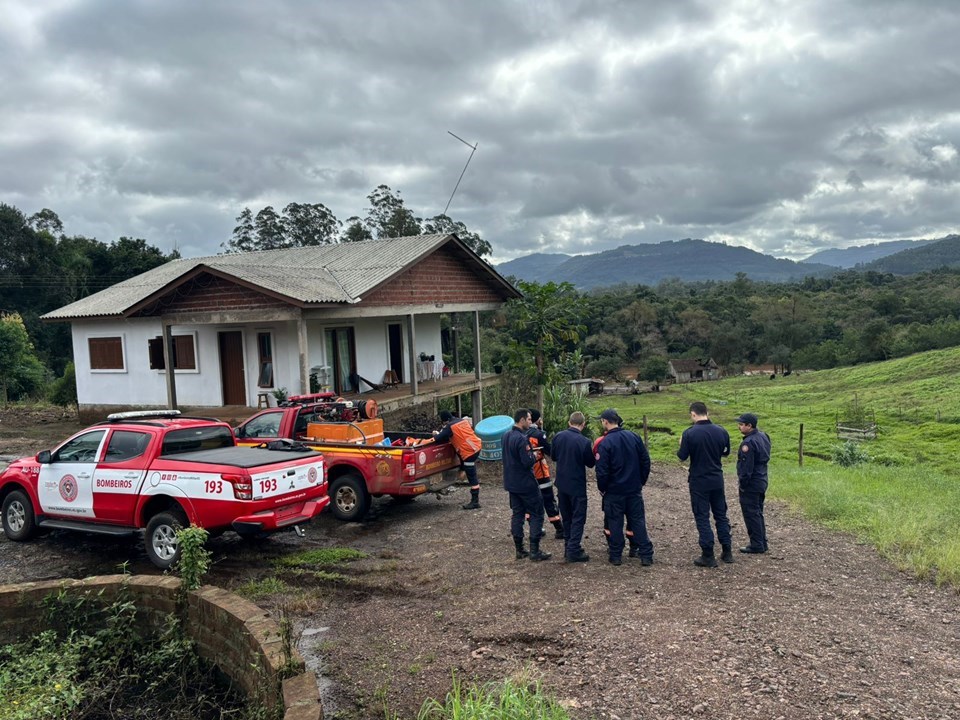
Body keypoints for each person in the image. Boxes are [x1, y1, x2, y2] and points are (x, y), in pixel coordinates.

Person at [677, 401, 734, 568]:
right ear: (707, 413)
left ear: (693, 414)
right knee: (721, 515)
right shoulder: (721, 431)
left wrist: (681, 444)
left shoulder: (689, 433)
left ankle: (708, 554)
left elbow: (682, 456)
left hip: (699, 480)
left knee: (702, 516)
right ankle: (727, 550)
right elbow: (726, 453)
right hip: (717, 478)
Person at [595, 408, 654, 567]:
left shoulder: (605, 443)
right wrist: (641, 481)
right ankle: (646, 555)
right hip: (633, 489)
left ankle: (616, 555)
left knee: (615, 523)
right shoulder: (634, 437)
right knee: (638, 521)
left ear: (605, 422)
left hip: (614, 491)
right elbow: (645, 460)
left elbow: (602, 471)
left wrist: (603, 488)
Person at [502, 408, 551, 561]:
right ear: (522, 420)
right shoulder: (522, 439)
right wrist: (534, 456)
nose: (531, 422)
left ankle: (520, 549)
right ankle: (535, 550)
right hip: (525, 483)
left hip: (511, 482)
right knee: (537, 513)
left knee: (517, 514)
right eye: (529, 419)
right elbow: (527, 461)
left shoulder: (506, 436)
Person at [551, 411, 595, 562]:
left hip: (561, 483)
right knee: (578, 517)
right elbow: (591, 463)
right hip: (576, 485)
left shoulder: (558, 437)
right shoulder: (584, 442)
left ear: (569, 422)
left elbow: (553, 456)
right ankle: (573, 549)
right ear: (583, 424)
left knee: (567, 516)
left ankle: (568, 546)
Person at [735, 412, 771, 554]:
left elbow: (746, 467)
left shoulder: (748, 443)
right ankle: (762, 542)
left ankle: (756, 544)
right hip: (762, 478)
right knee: (758, 512)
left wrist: (743, 484)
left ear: (749, 426)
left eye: (741, 424)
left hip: (752, 482)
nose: (739, 427)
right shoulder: (764, 436)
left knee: (751, 513)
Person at [433, 410, 483, 510]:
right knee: (469, 469)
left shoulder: (450, 426)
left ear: (446, 420)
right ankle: (464, 471)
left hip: (469, 451)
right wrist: (462, 468)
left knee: (472, 476)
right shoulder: (462, 421)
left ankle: (475, 501)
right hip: (476, 446)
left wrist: (435, 434)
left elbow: (439, 438)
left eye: (443, 422)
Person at [527, 409, 564, 539]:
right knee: (548, 498)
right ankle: (559, 529)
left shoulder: (519, 433)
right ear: (537, 419)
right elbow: (550, 451)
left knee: (530, 501)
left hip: (526, 473)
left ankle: (535, 528)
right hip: (540, 472)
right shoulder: (538, 435)